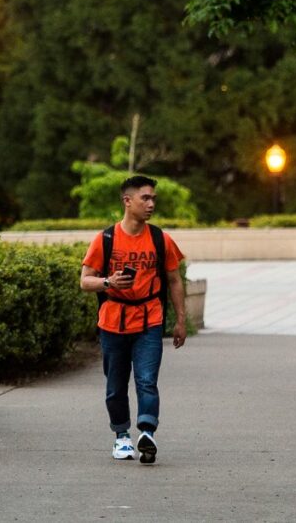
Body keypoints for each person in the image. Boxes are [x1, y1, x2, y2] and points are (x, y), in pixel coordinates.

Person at [80, 175, 187, 465]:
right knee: (115, 384)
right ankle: (121, 437)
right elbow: (85, 281)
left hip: (149, 320)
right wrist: (109, 282)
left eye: (153, 198)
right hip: (113, 321)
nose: (151, 204)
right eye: (145, 198)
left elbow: (174, 280)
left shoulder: (159, 238)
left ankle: (147, 432)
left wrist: (180, 320)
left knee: (147, 380)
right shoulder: (106, 239)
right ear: (128, 201)